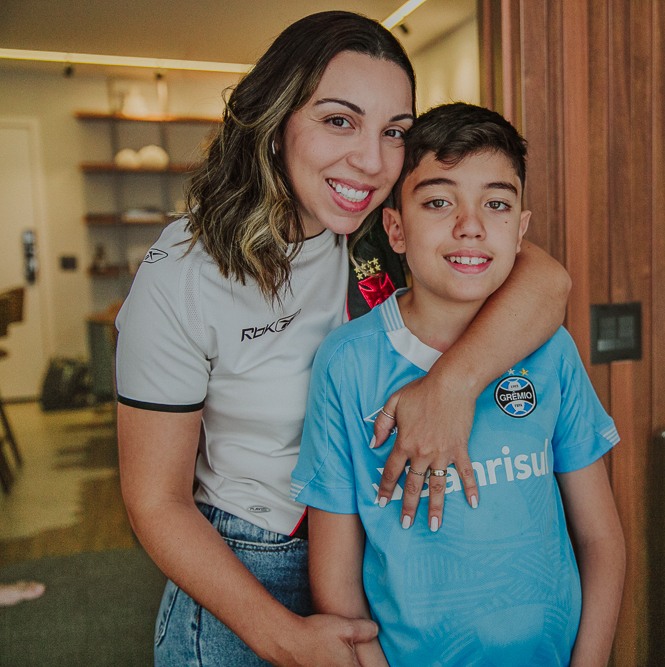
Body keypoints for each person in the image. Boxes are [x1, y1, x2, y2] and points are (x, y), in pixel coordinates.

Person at [114, 12, 571, 667]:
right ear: (275, 121)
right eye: (338, 121)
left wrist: (451, 385)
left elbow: (548, 283)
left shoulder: (382, 227)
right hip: (247, 568)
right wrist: (285, 636)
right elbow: (155, 500)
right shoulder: (184, 271)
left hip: (384, 549)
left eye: (395, 133)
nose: (370, 159)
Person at [291, 103, 626, 667]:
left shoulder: (551, 350)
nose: (470, 225)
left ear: (521, 230)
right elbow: (335, 574)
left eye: (495, 204)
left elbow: (601, 540)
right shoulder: (347, 363)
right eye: (439, 202)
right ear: (395, 228)